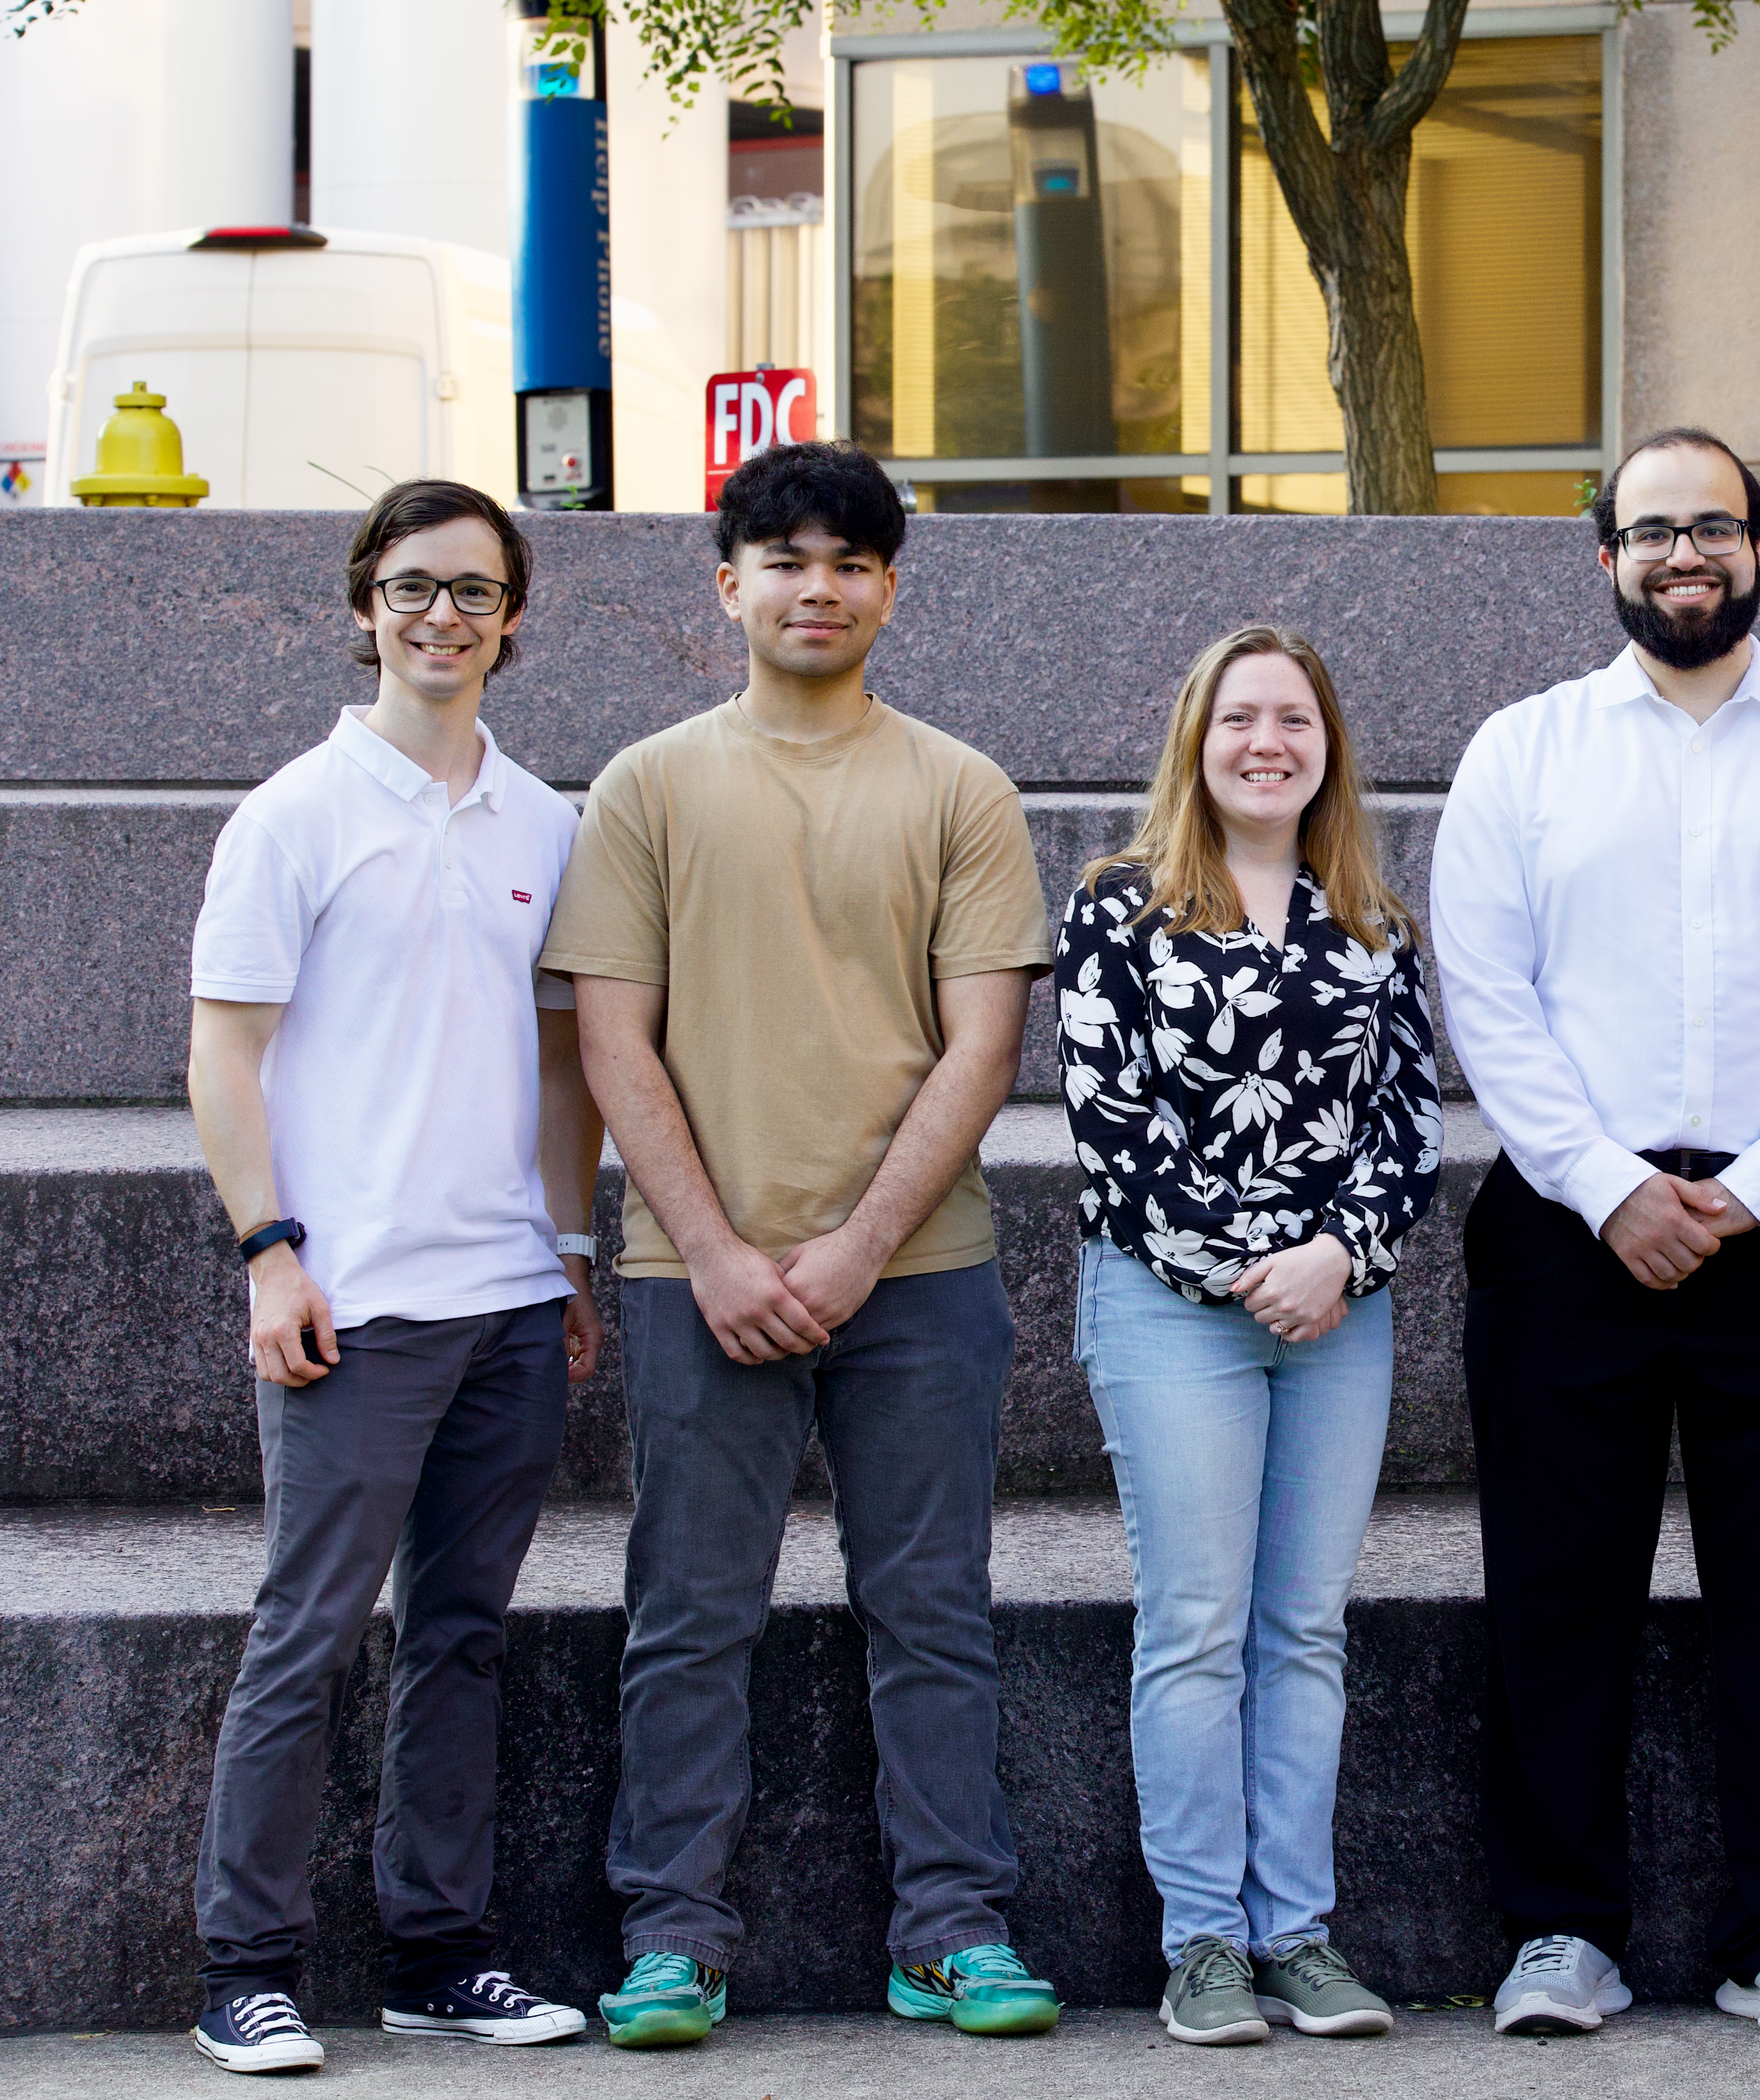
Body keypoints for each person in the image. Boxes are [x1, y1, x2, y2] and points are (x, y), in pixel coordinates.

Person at [1429, 427, 1760, 2042]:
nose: (1683, 554)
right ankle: (1557, 1933)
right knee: (1555, 1601)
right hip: (1566, 1231)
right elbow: (1484, 994)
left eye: (1712, 527)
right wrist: (1606, 1186)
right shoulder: (1523, 752)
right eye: (1651, 530)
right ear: (1605, 559)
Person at [541, 441, 1061, 2049]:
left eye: (849, 560)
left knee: (933, 1606)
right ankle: (674, 1936)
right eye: (784, 559)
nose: (816, 586)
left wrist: (850, 1251)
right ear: (728, 586)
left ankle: (953, 1927)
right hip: (694, 1276)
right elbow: (613, 1044)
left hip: (920, 1278)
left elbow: (980, 1050)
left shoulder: (959, 787)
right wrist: (707, 1250)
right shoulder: (648, 784)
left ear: (890, 590)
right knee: (689, 1610)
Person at [183, 479, 599, 2075]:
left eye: (475, 591)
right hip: (349, 1304)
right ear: (365, 604)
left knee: (463, 1637)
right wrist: (270, 1253)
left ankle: (441, 1952)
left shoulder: (544, 821)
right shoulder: (295, 813)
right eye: (414, 587)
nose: (443, 615)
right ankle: (248, 1967)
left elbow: (563, 1075)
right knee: (308, 1629)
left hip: (502, 1293)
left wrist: (563, 1253)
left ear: (511, 616)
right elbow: (226, 1055)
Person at [1056, 626, 1443, 2046]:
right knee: (1197, 1626)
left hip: (1341, 1311)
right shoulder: (1117, 910)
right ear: (1196, 743)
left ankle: (1299, 1934)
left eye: (1293, 719)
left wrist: (1339, 1254)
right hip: (1171, 1310)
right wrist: (1250, 1268)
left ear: (1328, 745)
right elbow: (1111, 1133)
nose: (1266, 742)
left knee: (1305, 1631)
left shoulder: (1374, 919)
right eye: (1239, 720)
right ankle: (1204, 1943)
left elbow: (1409, 1122)